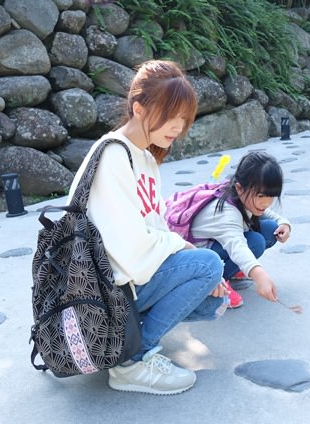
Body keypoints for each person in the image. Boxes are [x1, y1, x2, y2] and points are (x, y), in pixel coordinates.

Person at [68, 60, 227, 395]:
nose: (178, 127)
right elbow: (128, 249)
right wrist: (185, 251)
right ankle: (130, 362)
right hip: (103, 290)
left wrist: (184, 252)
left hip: (128, 279)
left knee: (211, 294)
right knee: (207, 265)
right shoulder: (113, 155)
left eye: (184, 118)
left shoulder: (145, 157)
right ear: (139, 108)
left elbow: (155, 227)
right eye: (171, 116)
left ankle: (128, 340)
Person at [189, 150, 291, 308]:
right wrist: (259, 274)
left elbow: (266, 213)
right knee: (255, 242)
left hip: (215, 244)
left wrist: (283, 223)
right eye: (261, 196)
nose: (266, 203)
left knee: (272, 228)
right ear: (239, 188)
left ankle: (233, 268)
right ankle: (216, 282)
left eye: (272, 196)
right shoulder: (226, 213)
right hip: (197, 261)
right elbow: (237, 246)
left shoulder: (241, 196)